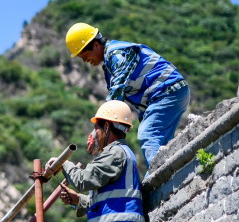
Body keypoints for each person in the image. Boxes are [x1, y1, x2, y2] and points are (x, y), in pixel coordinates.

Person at [65, 22, 190, 168]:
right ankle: (167, 174)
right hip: (166, 94)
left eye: (84, 55)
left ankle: (162, 177)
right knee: (160, 144)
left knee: (148, 135)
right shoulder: (110, 64)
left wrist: (97, 130)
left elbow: (116, 94)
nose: (85, 60)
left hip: (167, 91)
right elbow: (118, 104)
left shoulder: (117, 54)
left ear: (96, 45)